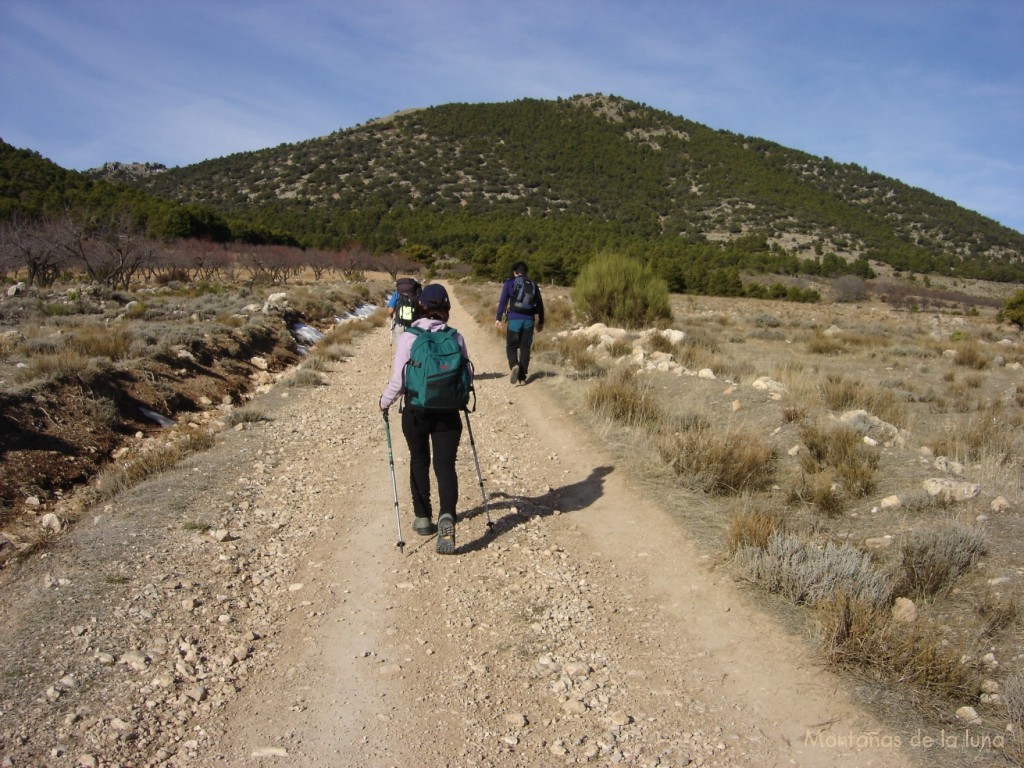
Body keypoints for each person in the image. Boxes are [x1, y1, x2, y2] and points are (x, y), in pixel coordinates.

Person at [379, 283, 470, 554]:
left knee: (419, 460)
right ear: (447, 309)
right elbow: (466, 376)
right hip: (449, 413)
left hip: (416, 411)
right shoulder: (456, 337)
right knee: (445, 466)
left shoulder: (408, 337)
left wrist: (384, 402)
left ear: (421, 306)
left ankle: (422, 517)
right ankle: (447, 516)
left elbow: (399, 380)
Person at [495, 261, 544, 385]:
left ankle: (514, 365)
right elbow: (540, 304)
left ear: (515, 272)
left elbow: (502, 302)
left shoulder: (509, 283)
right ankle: (522, 377)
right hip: (529, 320)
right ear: (525, 272)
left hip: (514, 319)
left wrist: (498, 318)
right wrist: (541, 322)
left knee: (511, 346)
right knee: (525, 348)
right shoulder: (533, 284)